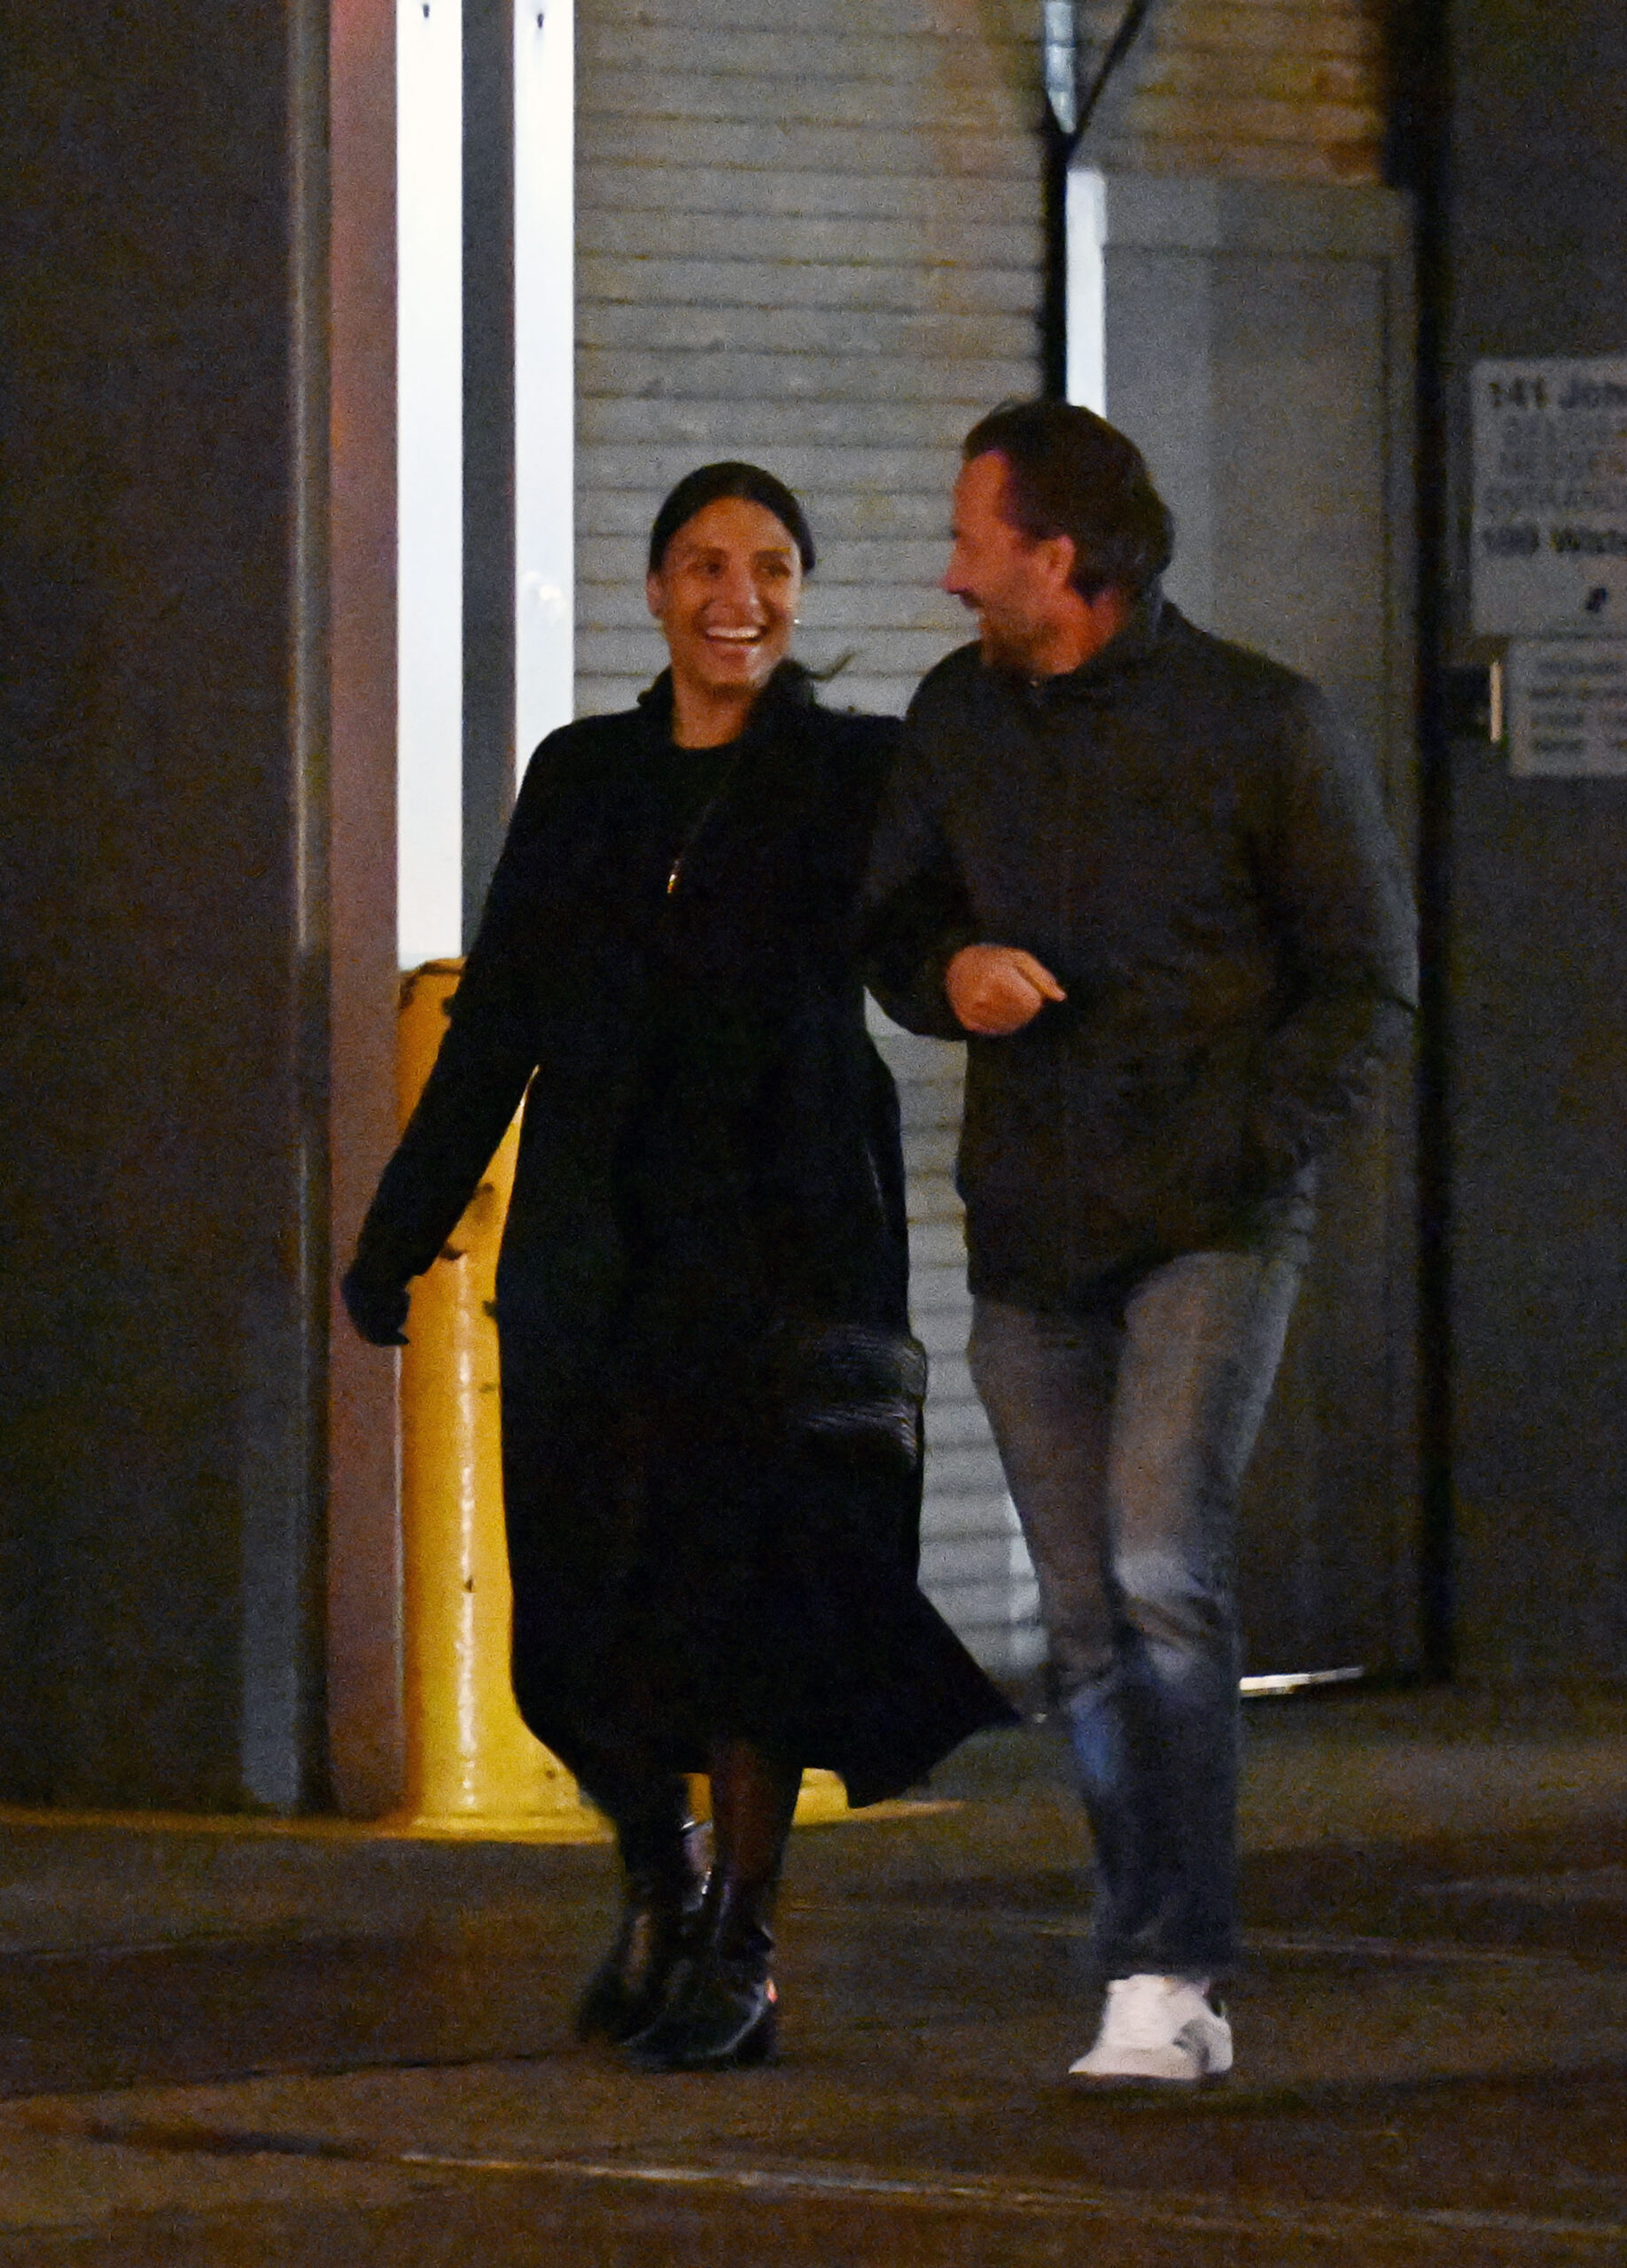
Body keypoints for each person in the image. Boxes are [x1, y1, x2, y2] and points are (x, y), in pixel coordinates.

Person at [342, 462, 1014, 2073]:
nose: (741, 597)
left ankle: (743, 1944)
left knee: (757, 1596)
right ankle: (659, 1864)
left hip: (782, 1238)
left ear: (798, 592)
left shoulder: (852, 773)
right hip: (594, 1233)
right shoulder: (580, 777)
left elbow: (921, 948)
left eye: (773, 567)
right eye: (706, 565)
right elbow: (497, 1014)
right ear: (651, 591)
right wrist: (398, 1231)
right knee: (573, 1610)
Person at [857, 402, 1417, 2085]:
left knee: (1167, 1569)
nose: (948, 577)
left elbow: (1365, 980)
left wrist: (1244, 1151)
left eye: (975, 543)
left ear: (1061, 557)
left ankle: (1166, 1975)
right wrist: (945, 973)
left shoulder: (1261, 724)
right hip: (1030, 1231)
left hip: (1209, 1224)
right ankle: (1148, 1955)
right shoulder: (956, 721)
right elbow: (892, 923)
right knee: (1087, 1608)